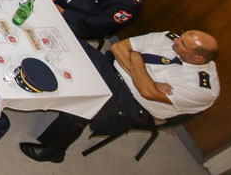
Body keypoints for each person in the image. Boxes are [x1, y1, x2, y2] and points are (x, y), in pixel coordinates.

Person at [20, 30, 219, 164]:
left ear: (198, 57)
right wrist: (142, 74)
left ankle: (54, 150)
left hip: (134, 103)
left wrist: (136, 57)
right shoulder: (168, 38)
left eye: (182, 43)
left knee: (83, 105)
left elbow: (147, 93)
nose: (176, 41)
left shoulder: (202, 88)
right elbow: (118, 48)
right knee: (75, 46)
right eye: (180, 37)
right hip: (115, 70)